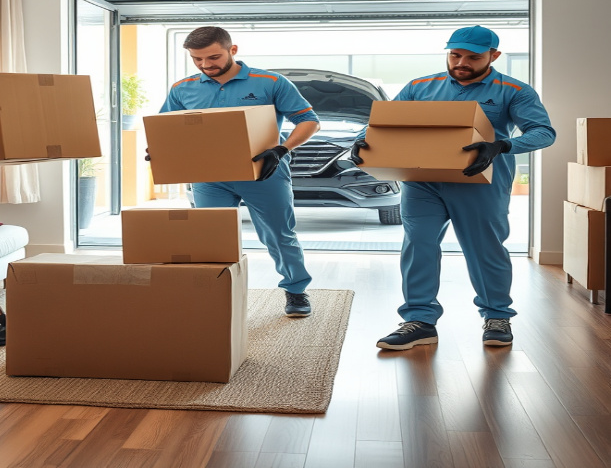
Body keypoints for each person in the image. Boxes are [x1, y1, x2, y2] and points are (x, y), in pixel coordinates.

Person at [350, 25, 555, 350]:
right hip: (422, 182)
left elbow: (544, 132)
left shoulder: (513, 90)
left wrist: (501, 146)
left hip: (480, 182)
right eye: (455, 55)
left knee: (486, 248)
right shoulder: (420, 87)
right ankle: (419, 320)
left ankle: (497, 316)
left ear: (494, 56)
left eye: (472, 57)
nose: (462, 62)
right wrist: (363, 139)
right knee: (418, 245)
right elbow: (383, 121)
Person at [152, 26, 320, 317]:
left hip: (264, 174)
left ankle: (295, 291)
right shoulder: (182, 89)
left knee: (279, 235)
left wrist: (282, 149)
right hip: (209, 177)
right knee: (209, 238)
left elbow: (309, 120)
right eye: (197, 59)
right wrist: (160, 149)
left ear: (233, 50)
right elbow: (166, 128)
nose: (206, 65)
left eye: (213, 57)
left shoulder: (270, 82)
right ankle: (214, 293)